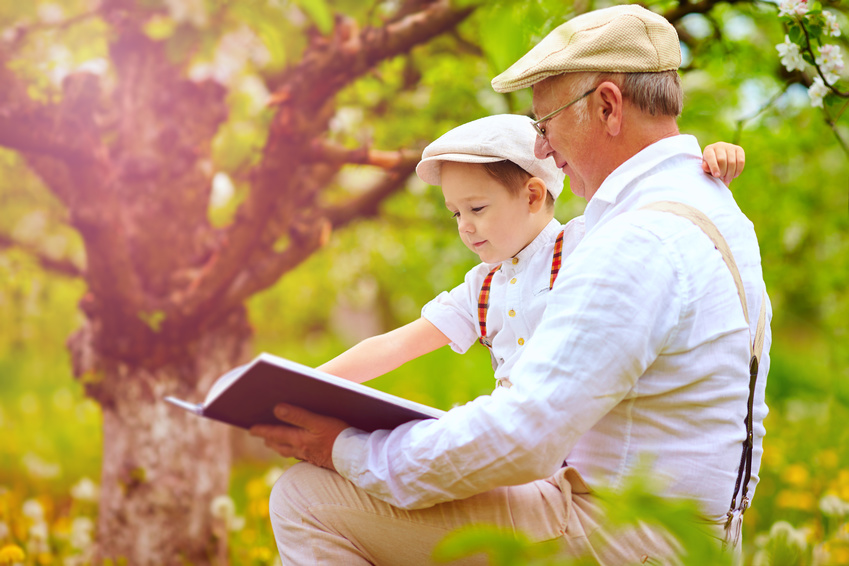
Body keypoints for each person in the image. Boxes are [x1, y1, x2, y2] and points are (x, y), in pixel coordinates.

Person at [249, 5, 770, 564]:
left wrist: (346, 449)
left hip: (618, 535)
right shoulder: (710, 207)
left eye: (545, 125)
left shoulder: (636, 240)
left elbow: (523, 436)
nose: (542, 150)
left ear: (608, 106)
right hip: (677, 527)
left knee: (306, 499)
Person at [316, 114, 744, 392]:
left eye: (477, 208)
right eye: (455, 213)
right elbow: (396, 345)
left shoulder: (585, 243)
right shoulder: (482, 289)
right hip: (513, 441)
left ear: (533, 195)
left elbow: (655, 201)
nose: (465, 225)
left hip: (579, 442)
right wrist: (307, 382)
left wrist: (707, 159)